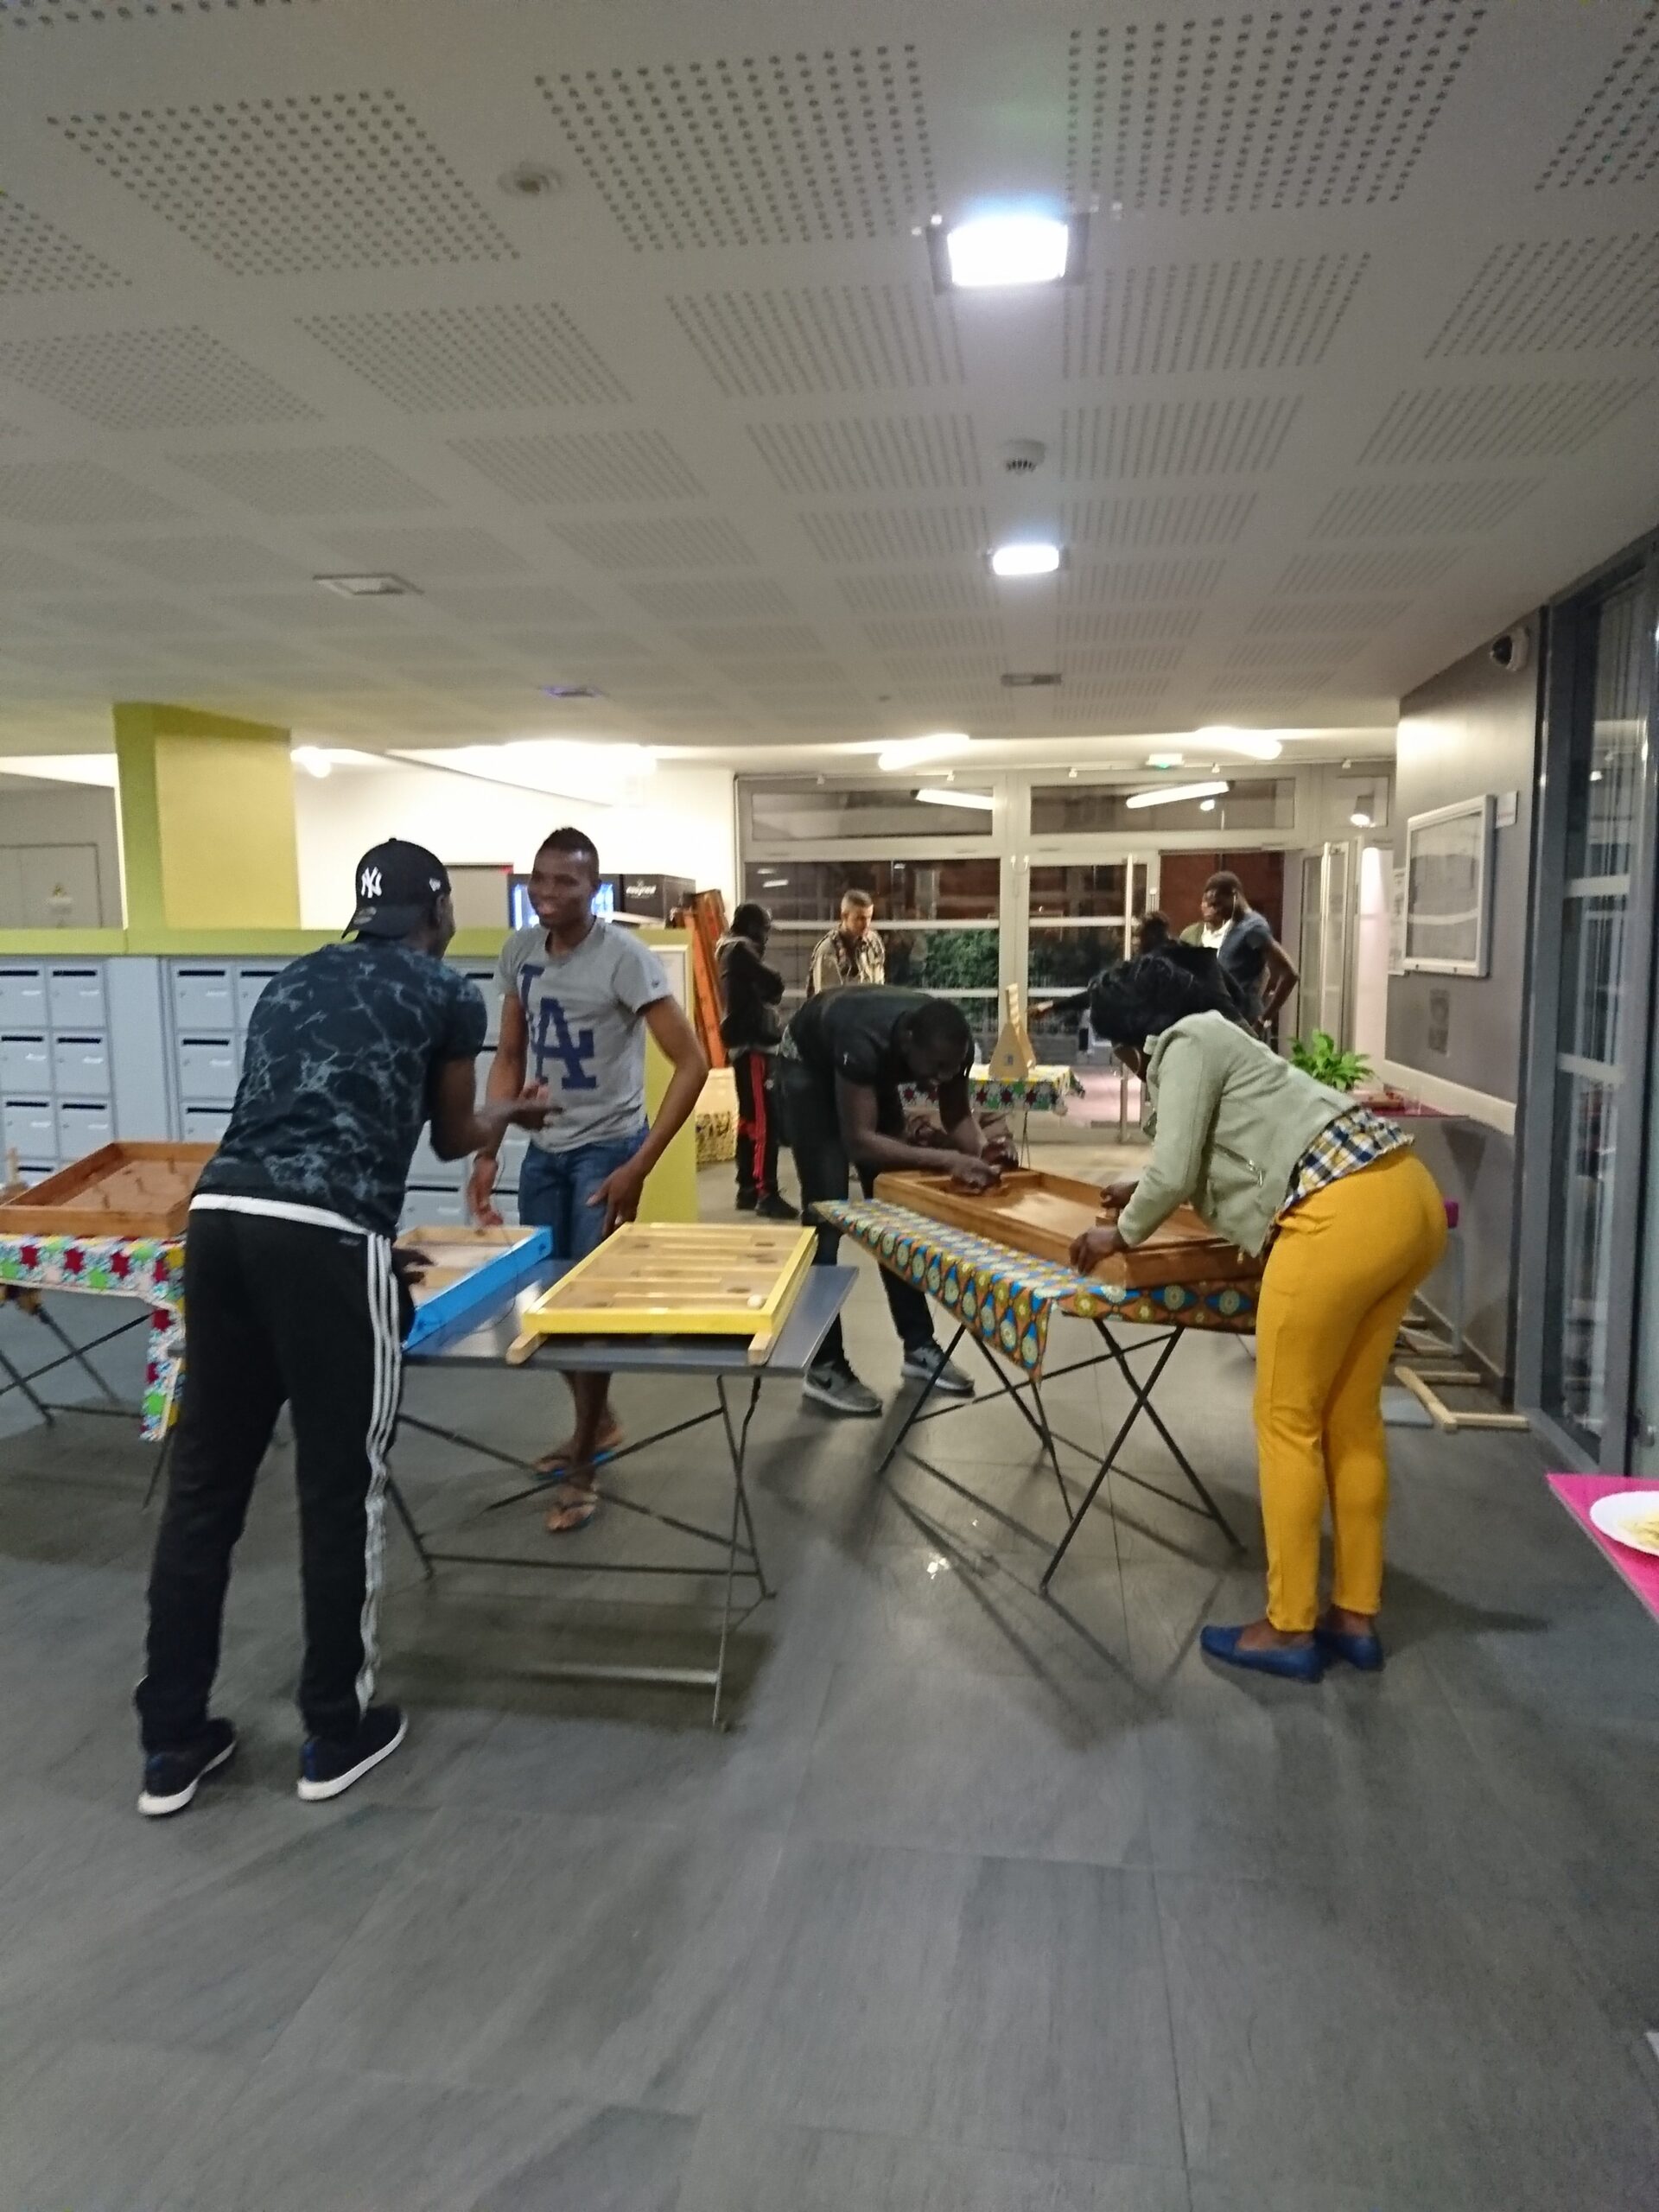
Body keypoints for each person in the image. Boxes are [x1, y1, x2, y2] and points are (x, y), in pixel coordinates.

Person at [136, 840, 552, 1817]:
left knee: (204, 1491)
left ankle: (170, 1742)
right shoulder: (442, 990)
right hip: (328, 1239)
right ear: (437, 912)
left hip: (220, 1225)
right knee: (339, 1488)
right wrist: (511, 1109)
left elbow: (295, 1123)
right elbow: (452, 1133)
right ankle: (334, 1729)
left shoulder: (291, 980)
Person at [1069, 953, 1446, 1683]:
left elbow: (1177, 1167)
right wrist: (1140, 1189)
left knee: (1286, 1423)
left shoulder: (1181, 1044)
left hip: (1336, 1217)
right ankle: (1355, 1616)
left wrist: (1122, 1232)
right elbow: (1229, 1151)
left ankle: (1288, 1627)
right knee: (1351, 1420)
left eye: (1119, 1053)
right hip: (1405, 1197)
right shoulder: (1223, 1033)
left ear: (1132, 1042)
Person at [468, 827, 708, 1533]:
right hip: (544, 1151)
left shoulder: (625, 959)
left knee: (586, 1310)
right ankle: (596, 1423)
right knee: (546, 1303)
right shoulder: (519, 953)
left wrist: (639, 1165)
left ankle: (581, 1464)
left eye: (565, 881)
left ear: (593, 889)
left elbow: (692, 1064)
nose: (547, 892)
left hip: (607, 1151)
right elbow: (509, 1055)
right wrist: (488, 1152)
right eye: (539, 879)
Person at [777, 985, 1001, 1415]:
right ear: (908, 1043)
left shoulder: (951, 1047)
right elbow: (860, 1143)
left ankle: (919, 1345)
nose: (939, 1080)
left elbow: (957, 1116)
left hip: (866, 1070)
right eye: (934, 1068)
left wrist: (984, 1154)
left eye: (950, 1069)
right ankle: (824, 1365)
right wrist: (948, 1160)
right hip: (809, 1065)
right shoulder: (864, 1038)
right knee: (826, 1215)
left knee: (894, 1212)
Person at [716, 900, 794, 1219]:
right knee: (765, 1122)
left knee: (749, 1119)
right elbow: (774, 983)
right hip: (753, 1047)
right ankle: (766, 1192)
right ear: (752, 927)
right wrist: (770, 989)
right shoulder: (739, 950)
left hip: (744, 1046)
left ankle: (747, 1187)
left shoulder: (728, 949)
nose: (767, 936)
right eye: (764, 929)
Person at [1179, 871, 1297, 1032]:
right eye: (1210, 905)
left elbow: (1290, 974)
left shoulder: (1253, 928)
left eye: (1218, 904)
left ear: (1234, 895)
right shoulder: (1231, 926)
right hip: (1224, 1019)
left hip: (1243, 1021)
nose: (1215, 911)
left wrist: (1263, 1020)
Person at [806, 887, 884, 995]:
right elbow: (828, 1000)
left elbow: (879, 983)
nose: (866, 924)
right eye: (860, 918)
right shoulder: (828, 951)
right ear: (844, 916)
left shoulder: (873, 942)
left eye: (869, 917)